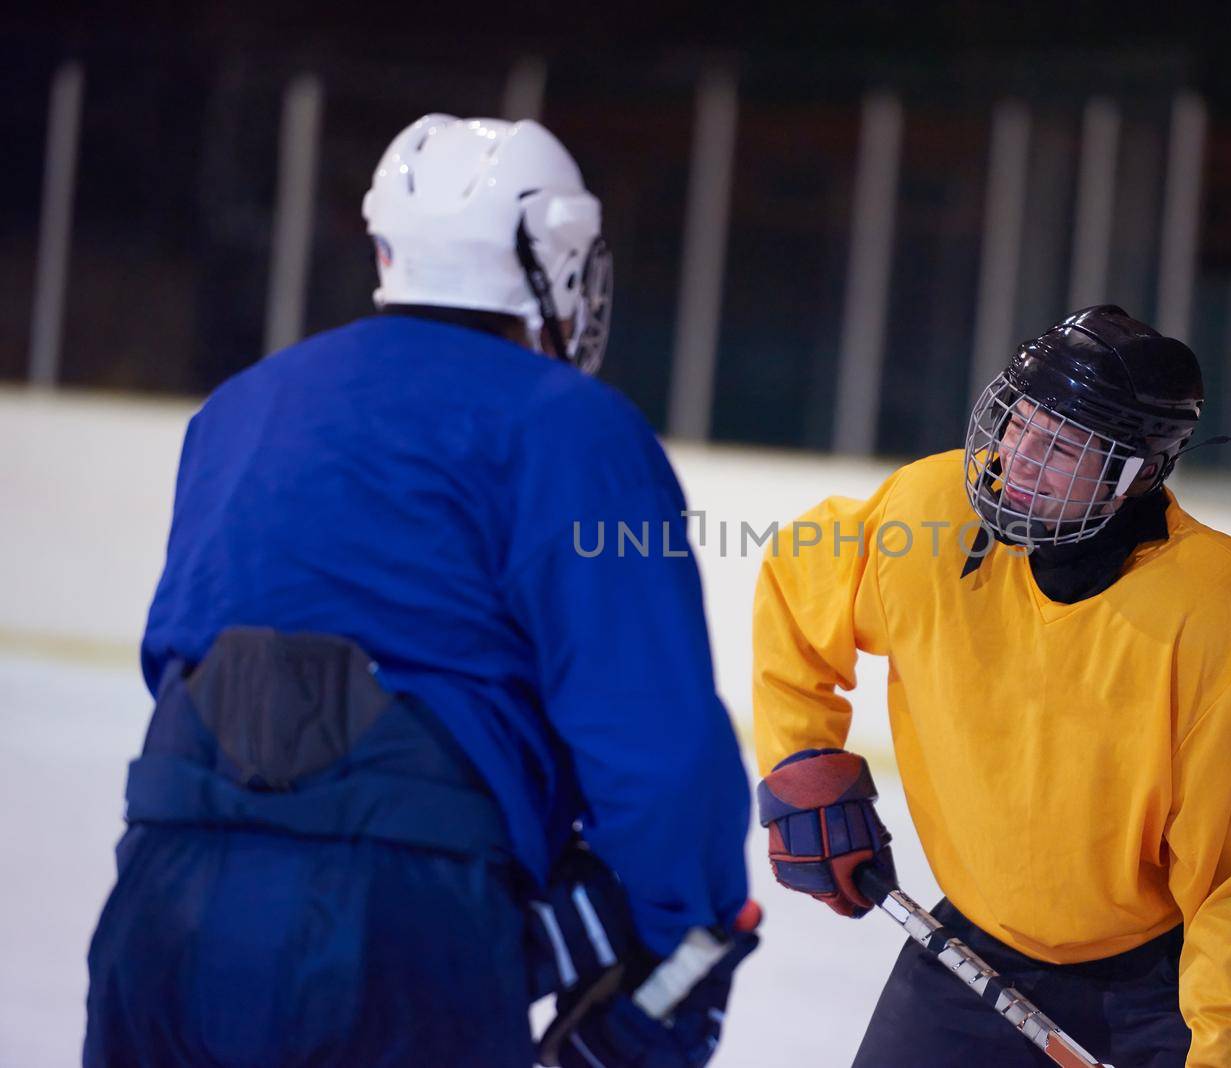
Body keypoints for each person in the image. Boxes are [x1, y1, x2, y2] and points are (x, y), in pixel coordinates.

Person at [84, 115, 755, 1067]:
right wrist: (688, 941)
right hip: (397, 922)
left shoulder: (242, 402)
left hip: (158, 903)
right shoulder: (575, 428)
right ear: (553, 252)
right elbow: (658, 747)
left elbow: (176, 659)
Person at [752, 305, 1231, 1066]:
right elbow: (796, 584)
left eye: (1060, 446)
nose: (1017, 455)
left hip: (1166, 986)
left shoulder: (1212, 603)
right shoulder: (930, 515)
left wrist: (1229, 1049)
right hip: (973, 950)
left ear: (1136, 473)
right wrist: (798, 758)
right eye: (1021, 419)